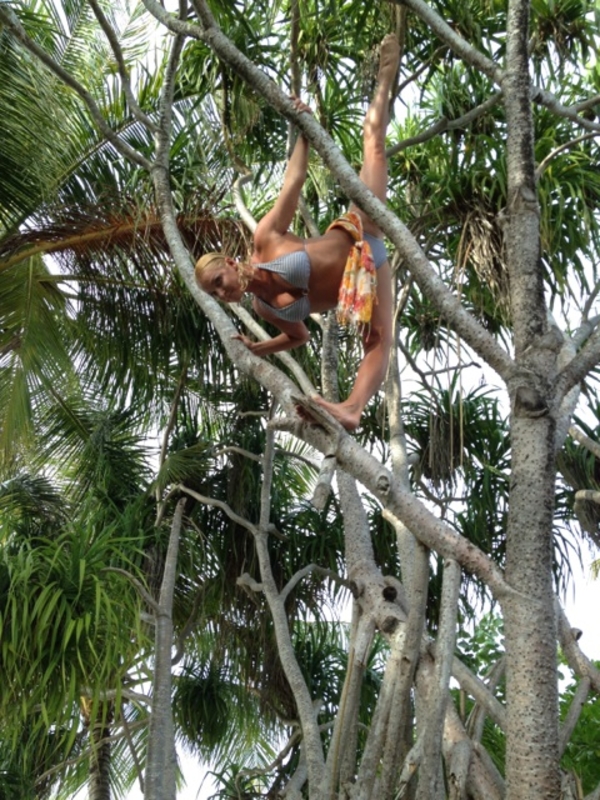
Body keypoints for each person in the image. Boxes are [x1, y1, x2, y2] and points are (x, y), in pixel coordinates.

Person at [196, 34, 399, 431]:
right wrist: (259, 348)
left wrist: (306, 128)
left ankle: (384, 79)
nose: (223, 293)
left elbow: (294, 181)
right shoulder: (264, 309)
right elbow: (300, 336)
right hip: (364, 280)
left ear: (231, 264)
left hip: (360, 233)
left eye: (219, 281)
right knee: (378, 341)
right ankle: (351, 409)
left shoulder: (266, 240)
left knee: (373, 144)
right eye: (216, 294)